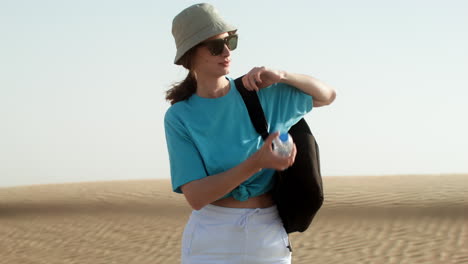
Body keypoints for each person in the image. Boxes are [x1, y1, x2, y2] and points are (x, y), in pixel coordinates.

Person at [164, 3, 336, 264]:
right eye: (214, 46)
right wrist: (258, 162)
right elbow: (197, 196)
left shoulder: (259, 93)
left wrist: (282, 75)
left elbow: (327, 96)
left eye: (230, 41)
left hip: (267, 234)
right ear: (190, 55)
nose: (226, 51)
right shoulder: (180, 117)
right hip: (210, 236)